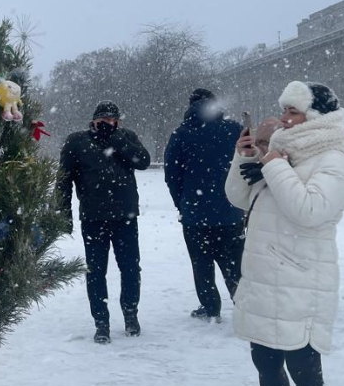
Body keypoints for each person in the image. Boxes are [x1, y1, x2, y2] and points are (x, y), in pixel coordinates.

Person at [224, 81, 344, 386]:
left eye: (293, 112)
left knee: (305, 371)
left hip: (301, 280)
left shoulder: (332, 157)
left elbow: (311, 210)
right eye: (284, 111)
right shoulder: (283, 150)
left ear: (315, 116)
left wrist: (274, 164)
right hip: (264, 274)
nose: (285, 118)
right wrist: (244, 160)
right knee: (264, 357)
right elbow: (240, 199)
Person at [58, 100, 152, 344]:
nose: (108, 124)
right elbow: (63, 180)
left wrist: (118, 139)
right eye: (103, 121)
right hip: (93, 217)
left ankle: (131, 314)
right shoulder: (77, 141)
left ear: (118, 121)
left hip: (125, 216)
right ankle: (101, 323)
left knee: (131, 268)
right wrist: (62, 213)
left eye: (112, 121)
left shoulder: (126, 137)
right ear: (93, 120)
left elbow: (142, 161)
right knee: (95, 272)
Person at [163, 88, 245, 322]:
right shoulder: (235, 130)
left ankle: (210, 307)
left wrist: (183, 202)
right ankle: (244, 306)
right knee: (235, 266)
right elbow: (246, 165)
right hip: (231, 211)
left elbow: (172, 174)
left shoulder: (181, 133)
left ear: (191, 106)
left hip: (195, 215)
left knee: (202, 265)